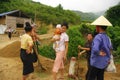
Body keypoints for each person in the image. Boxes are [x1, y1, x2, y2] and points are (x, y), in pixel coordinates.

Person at [87, 16, 113, 80]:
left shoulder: (98, 37)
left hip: (96, 62)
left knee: (91, 78)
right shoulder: (107, 38)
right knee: (100, 77)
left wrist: (99, 52)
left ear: (98, 27)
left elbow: (95, 49)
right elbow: (110, 49)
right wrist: (108, 58)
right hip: (103, 63)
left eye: (96, 26)